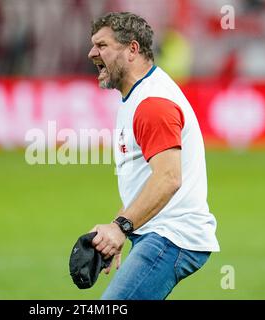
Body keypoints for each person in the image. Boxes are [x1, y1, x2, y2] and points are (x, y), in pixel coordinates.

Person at [87, 12, 220, 300]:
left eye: (102, 45)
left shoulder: (151, 103)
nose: (91, 53)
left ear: (132, 50)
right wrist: (119, 230)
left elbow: (168, 178)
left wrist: (120, 228)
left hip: (172, 236)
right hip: (161, 233)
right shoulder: (137, 95)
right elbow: (145, 179)